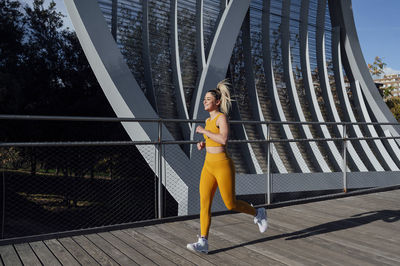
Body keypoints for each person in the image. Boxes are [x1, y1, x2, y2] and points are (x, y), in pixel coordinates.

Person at [186, 80, 268, 254]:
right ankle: (203, 242)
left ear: (217, 102)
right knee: (204, 204)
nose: (204, 102)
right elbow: (212, 140)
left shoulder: (221, 118)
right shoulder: (208, 120)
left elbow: (223, 139)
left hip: (223, 165)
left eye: (208, 99)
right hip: (208, 165)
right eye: (204, 99)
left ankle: (258, 212)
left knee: (230, 204)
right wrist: (203, 144)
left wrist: (203, 132)